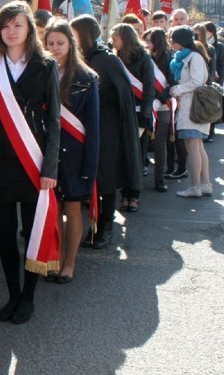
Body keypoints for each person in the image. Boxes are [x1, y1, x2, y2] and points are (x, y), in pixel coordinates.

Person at [0, 0, 60, 323]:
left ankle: (28, 297)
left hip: (33, 161)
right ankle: (11, 294)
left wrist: (50, 168)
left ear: (29, 30)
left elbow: (54, 123)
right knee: (5, 233)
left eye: (17, 25)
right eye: (5, 25)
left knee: (31, 232)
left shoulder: (46, 66)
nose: (11, 31)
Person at [71, 15, 141, 249]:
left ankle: (106, 229)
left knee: (106, 180)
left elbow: (122, 96)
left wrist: (94, 99)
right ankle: (92, 227)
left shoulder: (107, 60)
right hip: (83, 128)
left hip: (107, 129)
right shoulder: (79, 58)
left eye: (75, 34)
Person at [43, 18, 98, 283]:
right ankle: (54, 257)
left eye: (60, 43)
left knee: (73, 209)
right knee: (53, 209)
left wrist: (90, 165)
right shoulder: (40, 72)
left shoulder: (87, 78)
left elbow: (94, 126)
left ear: (71, 44)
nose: (55, 48)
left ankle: (70, 263)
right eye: (50, 43)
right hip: (48, 153)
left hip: (76, 152)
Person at [110, 22, 153, 212]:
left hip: (138, 113)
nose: (113, 42)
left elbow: (149, 88)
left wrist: (145, 114)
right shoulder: (114, 58)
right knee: (122, 155)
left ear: (125, 39)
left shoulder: (143, 58)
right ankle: (123, 193)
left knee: (135, 155)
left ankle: (133, 194)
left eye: (115, 39)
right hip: (119, 114)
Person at [168, 26, 213, 197]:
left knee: (193, 147)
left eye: (173, 40)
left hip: (193, 107)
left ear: (179, 41)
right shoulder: (192, 57)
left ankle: (195, 186)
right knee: (198, 147)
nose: (171, 43)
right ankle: (204, 184)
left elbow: (196, 81)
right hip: (193, 107)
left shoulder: (193, 57)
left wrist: (177, 89)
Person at [143, 28, 174, 192]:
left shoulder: (170, 58)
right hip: (146, 103)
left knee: (160, 143)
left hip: (162, 105)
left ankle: (159, 179)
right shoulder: (143, 58)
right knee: (143, 141)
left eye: (150, 40)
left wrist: (159, 100)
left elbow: (172, 84)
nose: (147, 43)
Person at [202, 21, 224, 140]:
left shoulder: (219, 46)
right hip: (203, 78)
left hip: (215, 79)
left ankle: (211, 131)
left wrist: (221, 81)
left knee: (212, 106)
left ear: (211, 32)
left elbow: (223, 65)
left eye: (205, 31)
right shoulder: (200, 44)